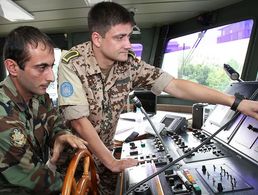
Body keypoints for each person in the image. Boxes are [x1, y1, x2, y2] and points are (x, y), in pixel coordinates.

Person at [57, 2, 258, 194]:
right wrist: (111, 161)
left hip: (106, 154)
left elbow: (175, 85)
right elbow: (79, 121)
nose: (128, 44)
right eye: (120, 37)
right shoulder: (72, 63)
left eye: (129, 36)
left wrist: (236, 102)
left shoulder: (129, 64)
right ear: (97, 38)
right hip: (74, 160)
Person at [0, 26, 88, 194]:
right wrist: (79, 187)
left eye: (51, 66)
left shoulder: (40, 96)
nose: (51, 77)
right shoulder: (2, 114)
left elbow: (54, 123)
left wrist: (61, 135)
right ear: (12, 67)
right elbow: (34, 176)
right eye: (41, 67)